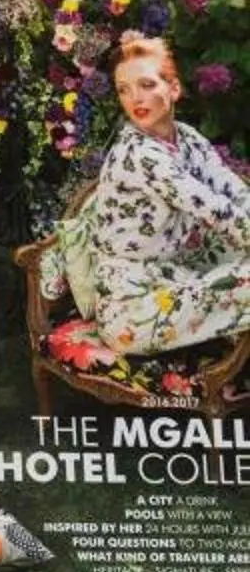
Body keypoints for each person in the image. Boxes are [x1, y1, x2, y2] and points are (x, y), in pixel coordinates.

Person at [86, 31, 250, 354]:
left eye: (146, 85)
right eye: (124, 90)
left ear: (173, 89)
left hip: (175, 276)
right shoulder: (138, 153)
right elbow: (212, 208)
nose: (135, 99)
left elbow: (230, 189)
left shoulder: (187, 137)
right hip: (132, 309)